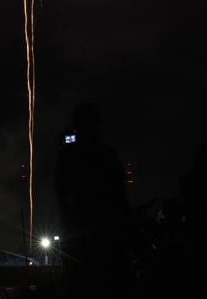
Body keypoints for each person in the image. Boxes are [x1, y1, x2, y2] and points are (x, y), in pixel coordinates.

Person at [54, 101, 130, 297]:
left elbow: (61, 192)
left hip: (79, 223)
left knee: (78, 282)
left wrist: (65, 221)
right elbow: (120, 191)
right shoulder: (106, 152)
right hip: (108, 223)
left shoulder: (67, 155)